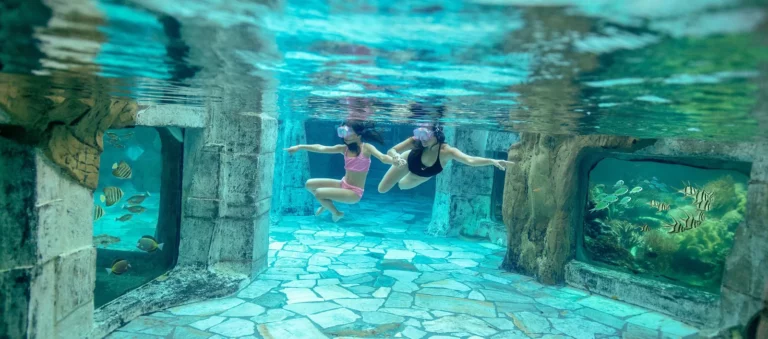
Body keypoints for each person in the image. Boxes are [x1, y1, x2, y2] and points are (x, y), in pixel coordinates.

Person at [285, 120, 393, 222]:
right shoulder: (344, 148)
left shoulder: (366, 148)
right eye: (342, 132)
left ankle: (337, 213)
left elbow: (383, 157)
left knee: (318, 193)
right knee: (309, 184)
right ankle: (326, 203)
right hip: (342, 184)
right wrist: (299, 147)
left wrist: (395, 161)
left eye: (348, 132)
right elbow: (320, 148)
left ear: (358, 134)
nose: (345, 136)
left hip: (354, 193)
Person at [378, 122, 513, 193]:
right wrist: (395, 156)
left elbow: (470, 160)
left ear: (436, 133)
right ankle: (392, 163)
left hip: (420, 176)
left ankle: (397, 175)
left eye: (426, 135)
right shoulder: (416, 140)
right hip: (407, 161)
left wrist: (492, 161)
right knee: (382, 190)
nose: (422, 139)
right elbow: (392, 149)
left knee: (401, 185)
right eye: (419, 134)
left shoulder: (446, 151)